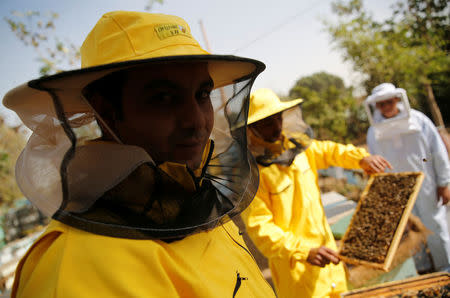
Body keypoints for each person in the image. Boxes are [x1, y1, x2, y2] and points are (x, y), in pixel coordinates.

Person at [3, 11, 276, 297]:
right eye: (164, 98)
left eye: (202, 94)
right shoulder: (76, 266)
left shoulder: (194, 203)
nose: (196, 121)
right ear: (106, 109)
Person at [240, 88, 392, 298]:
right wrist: (303, 251)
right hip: (298, 272)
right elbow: (261, 230)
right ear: (251, 129)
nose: (276, 127)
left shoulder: (300, 149)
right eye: (267, 123)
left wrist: (360, 158)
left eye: (278, 119)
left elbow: (331, 151)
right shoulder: (252, 178)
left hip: (331, 262)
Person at [365, 82, 450, 273]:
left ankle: (446, 268)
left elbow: (438, 152)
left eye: (389, 101)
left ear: (397, 99)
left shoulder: (420, 120)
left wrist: (444, 183)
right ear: (376, 106)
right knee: (408, 231)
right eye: (381, 104)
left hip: (427, 184)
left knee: (436, 225)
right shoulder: (373, 131)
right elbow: (377, 164)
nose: (386, 106)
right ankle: (422, 269)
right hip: (397, 190)